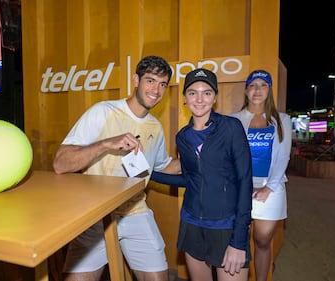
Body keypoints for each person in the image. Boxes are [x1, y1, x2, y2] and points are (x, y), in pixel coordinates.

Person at [53, 55, 180, 281]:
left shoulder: (156, 127)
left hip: (135, 212)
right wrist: (105, 144)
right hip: (95, 215)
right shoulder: (103, 111)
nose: (156, 90)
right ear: (135, 80)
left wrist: (202, 156)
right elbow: (60, 163)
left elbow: (163, 166)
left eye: (162, 84)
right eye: (150, 80)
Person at [151, 68, 253, 281]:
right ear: (185, 98)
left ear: (215, 97)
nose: (199, 99)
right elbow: (189, 180)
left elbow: (245, 181)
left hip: (226, 226)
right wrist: (149, 175)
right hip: (191, 223)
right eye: (192, 92)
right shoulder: (182, 137)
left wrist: (239, 240)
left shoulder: (231, 127)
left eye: (206, 92)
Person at [230, 70, 292, 281]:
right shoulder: (233, 120)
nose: (257, 90)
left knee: (263, 239)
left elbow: (283, 156)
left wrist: (269, 187)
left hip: (271, 188)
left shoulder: (282, 120)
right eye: (253, 85)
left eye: (263, 85)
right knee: (240, 238)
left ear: (269, 90)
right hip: (240, 188)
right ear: (246, 90)